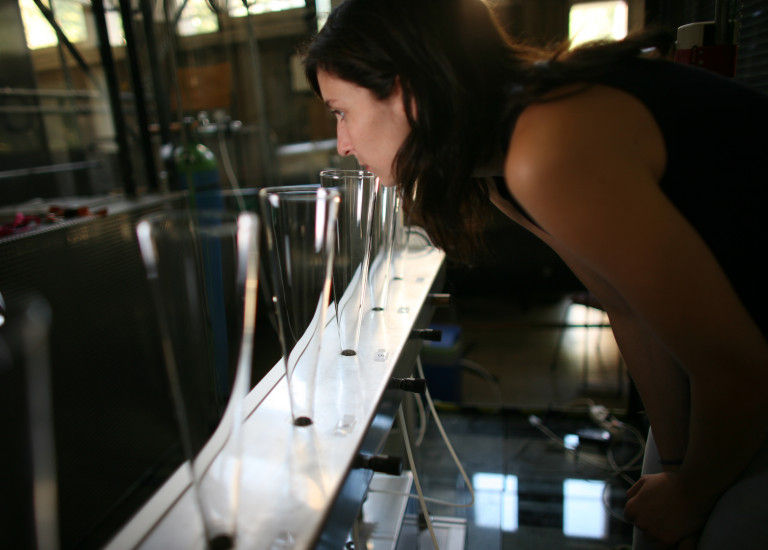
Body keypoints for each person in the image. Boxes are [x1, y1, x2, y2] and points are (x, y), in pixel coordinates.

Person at [301, 0, 768, 548]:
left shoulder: (547, 146)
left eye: (341, 112)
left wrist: (691, 496)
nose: (343, 144)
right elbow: (624, 303)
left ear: (406, 93)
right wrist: (674, 464)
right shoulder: (501, 169)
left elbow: (740, 371)